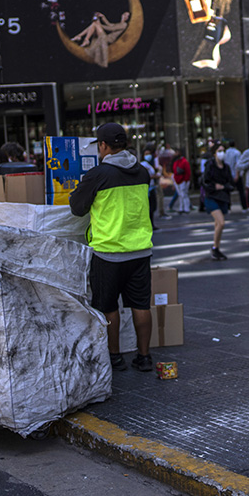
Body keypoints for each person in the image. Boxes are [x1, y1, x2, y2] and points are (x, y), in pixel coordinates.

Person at [69, 123, 154, 373]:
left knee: (108, 306)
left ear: (104, 146)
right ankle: (145, 357)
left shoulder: (99, 174)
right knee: (141, 305)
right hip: (140, 250)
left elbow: (77, 207)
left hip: (108, 252)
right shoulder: (143, 172)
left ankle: (115, 357)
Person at [201, 142, 234, 260]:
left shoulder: (226, 167)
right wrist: (215, 187)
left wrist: (223, 187)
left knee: (217, 224)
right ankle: (215, 248)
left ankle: (216, 247)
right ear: (214, 153)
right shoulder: (209, 165)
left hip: (223, 198)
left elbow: (231, 183)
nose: (222, 153)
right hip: (211, 197)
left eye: (223, 150)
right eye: (219, 151)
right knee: (221, 222)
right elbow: (205, 182)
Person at [223, 139, 247, 211]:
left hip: (228, 174)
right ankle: (244, 207)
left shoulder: (226, 152)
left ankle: (228, 206)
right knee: (241, 191)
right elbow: (237, 164)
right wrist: (237, 175)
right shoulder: (237, 152)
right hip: (235, 174)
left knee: (227, 191)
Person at [171, 149, 192, 214]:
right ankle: (182, 208)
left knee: (184, 194)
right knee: (181, 195)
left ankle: (186, 208)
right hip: (178, 180)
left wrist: (186, 180)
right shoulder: (176, 162)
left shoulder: (184, 162)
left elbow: (188, 172)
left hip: (182, 180)